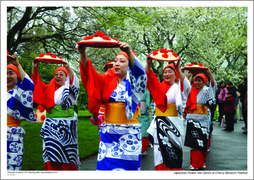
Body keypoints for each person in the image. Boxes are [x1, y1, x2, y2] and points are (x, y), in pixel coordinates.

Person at [78, 42, 147, 171]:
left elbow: (140, 72)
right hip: (109, 131)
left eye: (122, 61)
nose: (116, 63)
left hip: (129, 133)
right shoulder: (107, 79)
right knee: (106, 168)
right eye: (115, 61)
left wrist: (128, 50)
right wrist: (83, 53)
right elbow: (90, 76)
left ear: (130, 65)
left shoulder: (135, 81)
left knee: (127, 169)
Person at [31, 59, 80, 170]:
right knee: (51, 153)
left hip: (66, 127)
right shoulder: (48, 88)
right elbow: (36, 83)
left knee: (67, 154)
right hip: (50, 127)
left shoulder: (70, 89)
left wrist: (68, 67)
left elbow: (74, 81)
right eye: (56, 74)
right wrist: (34, 68)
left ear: (67, 77)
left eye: (61, 74)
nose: (58, 76)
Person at [145, 57, 191, 170]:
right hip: (159, 124)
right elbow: (149, 80)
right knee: (159, 153)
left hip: (174, 126)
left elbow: (187, 86)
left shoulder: (179, 87)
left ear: (175, 74)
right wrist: (148, 65)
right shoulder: (159, 87)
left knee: (173, 152)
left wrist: (179, 69)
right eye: (165, 72)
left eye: (170, 71)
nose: (167, 74)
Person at [7, 55, 37, 171]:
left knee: (12, 170)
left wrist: (17, 65)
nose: (8, 76)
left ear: (17, 76)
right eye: (5, 73)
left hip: (13, 136)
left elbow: (29, 83)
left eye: (11, 73)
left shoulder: (19, 93)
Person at [184, 70, 216, 170]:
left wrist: (210, 74)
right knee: (193, 140)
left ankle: (200, 163)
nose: (197, 82)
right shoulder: (191, 89)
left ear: (204, 81)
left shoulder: (207, 90)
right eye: (195, 80)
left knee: (201, 139)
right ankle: (193, 163)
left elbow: (213, 87)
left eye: (199, 80)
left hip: (203, 118)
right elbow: (185, 89)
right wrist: (188, 77)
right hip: (192, 117)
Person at [138, 89, 151, 155]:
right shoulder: (146, 91)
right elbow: (147, 105)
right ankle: (143, 150)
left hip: (133, 113)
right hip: (143, 115)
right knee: (144, 133)